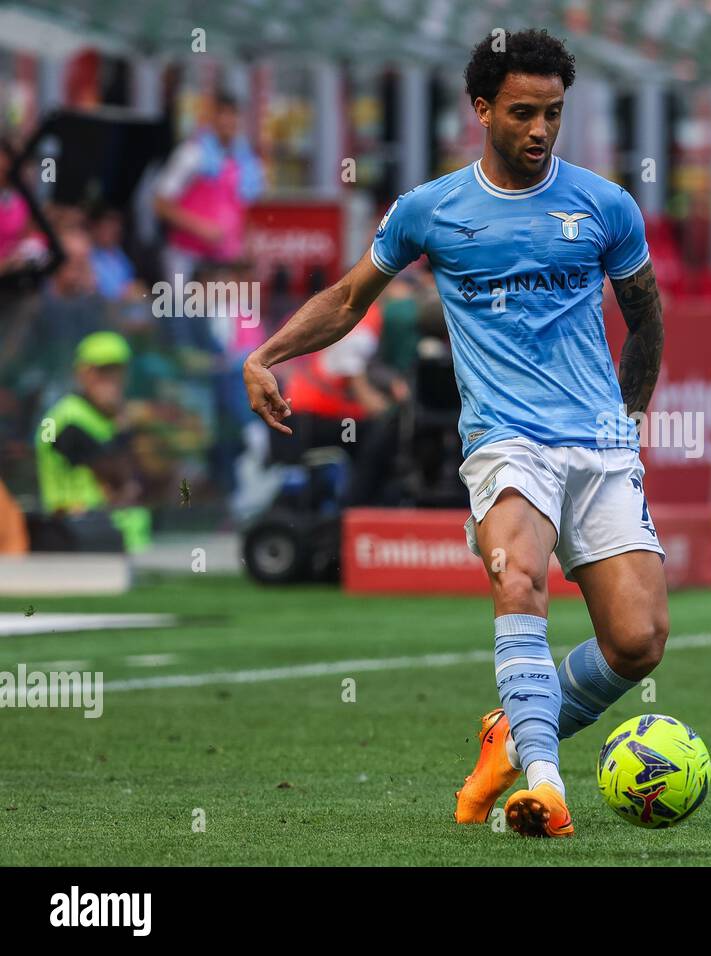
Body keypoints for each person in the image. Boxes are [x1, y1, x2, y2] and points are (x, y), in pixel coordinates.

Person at [243, 29, 667, 838]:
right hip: (506, 439)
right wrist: (267, 353)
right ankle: (546, 786)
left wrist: (630, 419)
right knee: (520, 582)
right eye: (521, 113)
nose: (539, 129)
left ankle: (510, 734)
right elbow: (346, 299)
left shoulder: (605, 205)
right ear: (481, 109)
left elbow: (645, 319)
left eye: (552, 113)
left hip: (599, 446)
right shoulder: (430, 211)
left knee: (639, 642)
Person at [34, 331, 151, 552]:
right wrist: (124, 426)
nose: (113, 380)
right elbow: (118, 477)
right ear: (83, 373)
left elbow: (139, 481)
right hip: (75, 533)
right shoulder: (66, 419)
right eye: (104, 371)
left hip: (113, 533)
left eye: (118, 370)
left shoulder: (105, 417)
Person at [153, 91, 264, 282]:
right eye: (222, 114)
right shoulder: (192, 153)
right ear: (211, 118)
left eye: (232, 114)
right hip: (187, 259)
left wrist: (247, 247)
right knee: (187, 311)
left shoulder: (244, 160)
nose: (227, 120)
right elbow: (160, 204)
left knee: (225, 311)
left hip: (225, 261)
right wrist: (200, 228)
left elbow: (242, 209)